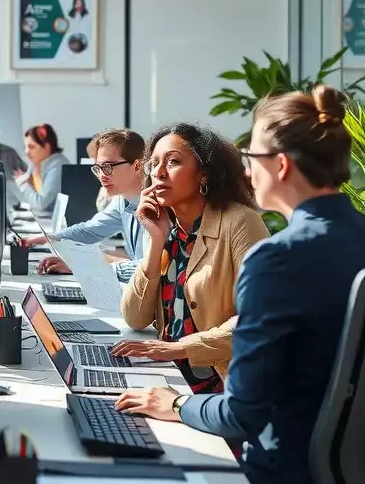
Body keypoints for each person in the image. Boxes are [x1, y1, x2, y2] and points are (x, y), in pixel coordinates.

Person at [116, 86, 365, 484]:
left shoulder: (276, 259)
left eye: (252, 157)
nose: (246, 170)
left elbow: (240, 414)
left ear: (280, 165)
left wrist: (174, 403)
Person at [110, 124, 268, 392]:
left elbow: (257, 319)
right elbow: (135, 317)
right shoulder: (168, 227)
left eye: (173, 162)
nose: (159, 173)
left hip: (224, 385)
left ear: (203, 175)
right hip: (172, 374)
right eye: (154, 164)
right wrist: (156, 240)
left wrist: (179, 348)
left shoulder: (240, 222)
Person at [37, 128, 146, 280]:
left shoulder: (158, 206)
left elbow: (149, 270)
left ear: (137, 166)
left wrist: (82, 267)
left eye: (108, 167)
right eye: (98, 168)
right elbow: (90, 230)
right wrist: (49, 239)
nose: (101, 176)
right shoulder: (123, 200)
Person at [13, 124, 65, 213]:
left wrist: (24, 184)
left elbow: (41, 204)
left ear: (47, 147)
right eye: (25, 147)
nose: (26, 152)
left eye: (31, 147)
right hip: (39, 216)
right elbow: (27, 198)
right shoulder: (35, 163)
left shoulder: (58, 166)